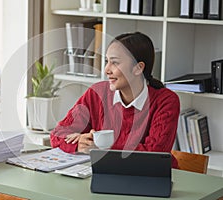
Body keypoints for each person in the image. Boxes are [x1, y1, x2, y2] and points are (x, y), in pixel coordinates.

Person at [50, 32, 180, 168]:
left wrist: (102, 145)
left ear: (138, 68)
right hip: (105, 173)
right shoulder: (97, 93)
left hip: (152, 179)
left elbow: (154, 154)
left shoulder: (166, 101)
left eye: (115, 63)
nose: (106, 70)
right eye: (107, 61)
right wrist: (80, 144)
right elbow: (57, 135)